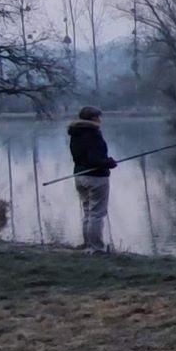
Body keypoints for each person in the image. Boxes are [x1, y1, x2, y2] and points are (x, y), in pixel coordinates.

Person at [67, 106, 118, 253]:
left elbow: (81, 157)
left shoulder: (75, 133)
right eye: (98, 117)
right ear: (92, 118)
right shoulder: (93, 134)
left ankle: (88, 245)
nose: (100, 120)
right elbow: (95, 159)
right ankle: (96, 248)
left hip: (79, 176)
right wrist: (109, 162)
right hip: (96, 178)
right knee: (97, 214)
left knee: (88, 212)